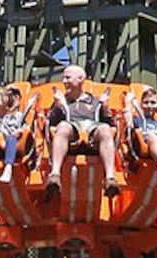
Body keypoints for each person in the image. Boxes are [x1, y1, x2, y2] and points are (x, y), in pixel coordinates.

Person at [43, 64, 122, 197]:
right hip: (71, 136)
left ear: (80, 79)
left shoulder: (95, 101)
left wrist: (105, 108)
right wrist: (57, 106)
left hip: (92, 135)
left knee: (104, 128)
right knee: (63, 126)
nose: (64, 81)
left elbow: (111, 123)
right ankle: (55, 175)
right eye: (64, 78)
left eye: (68, 78)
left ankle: (110, 178)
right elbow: (50, 123)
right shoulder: (63, 101)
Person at [123, 85, 157, 183]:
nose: (149, 106)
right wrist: (128, 103)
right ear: (141, 105)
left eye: (153, 103)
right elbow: (128, 123)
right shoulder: (138, 119)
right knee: (152, 136)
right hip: (145, 144)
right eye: (146, 103)